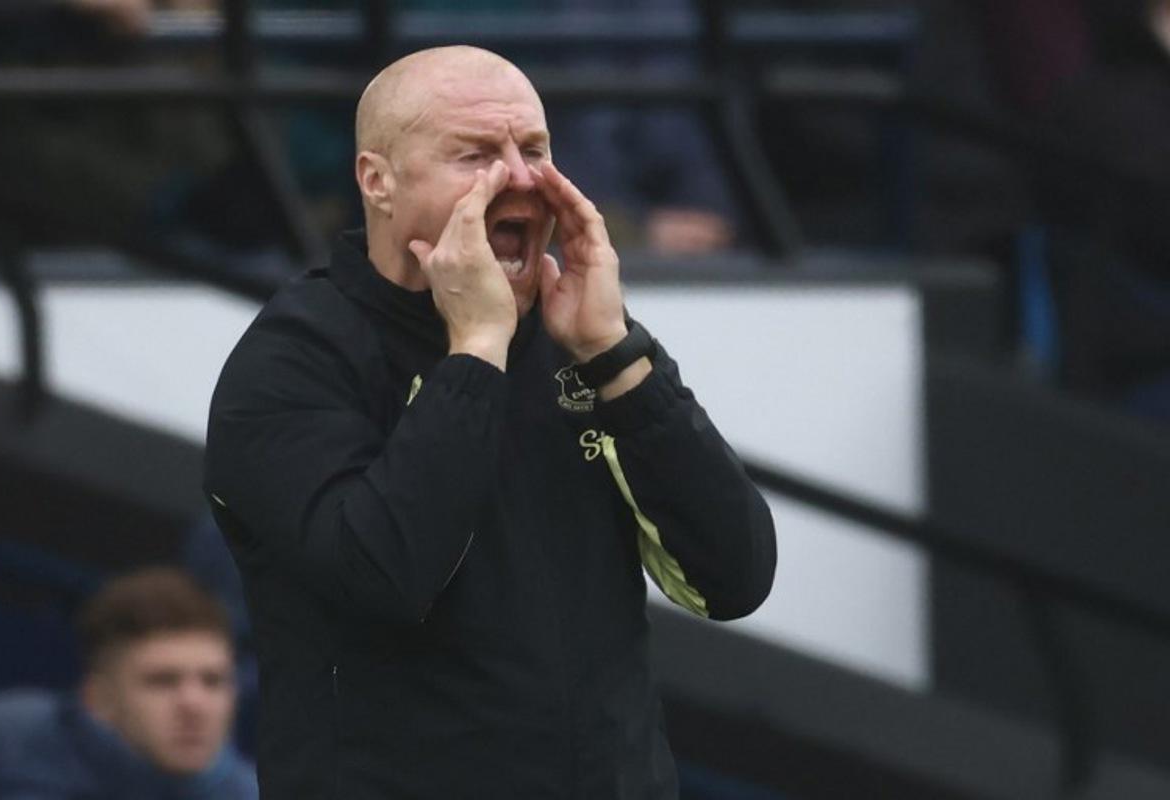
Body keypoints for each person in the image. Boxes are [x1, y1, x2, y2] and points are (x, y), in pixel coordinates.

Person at [205, 45, 776, 799]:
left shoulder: (585, 341)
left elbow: (732, 580)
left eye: (534, 149)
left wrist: (618, 358)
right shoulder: (295, 358)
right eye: (474, 154)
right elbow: (384, 579)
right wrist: (475, 350)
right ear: (377, 181)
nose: (519, 178)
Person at [0, 567, 258, 800]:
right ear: (98, 699)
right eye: (162, 681)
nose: (194, 704)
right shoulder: (7, 735)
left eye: (213, 682)